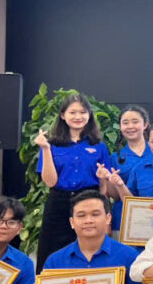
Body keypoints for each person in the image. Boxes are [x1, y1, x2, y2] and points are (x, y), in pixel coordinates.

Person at [35, 93, 113, 271]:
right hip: (59, 202)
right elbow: (50, 182)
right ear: (63, 115)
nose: (78, 117)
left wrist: (102, 178)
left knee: (90, 248)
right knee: (50, 249)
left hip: (89, 200)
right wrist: (45, 149)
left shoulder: (98, 145)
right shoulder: (51, 145)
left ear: (89, 115)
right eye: (73, 112)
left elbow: (103, 188)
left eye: (83, 112)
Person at [109, 105, 152, 237]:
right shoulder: (115, 157)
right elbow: (115, 196)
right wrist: (107, 180)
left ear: (145, 124)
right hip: (123, 218)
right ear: (120, 127)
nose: (130, 126)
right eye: (125, 123)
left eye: (135, 122)